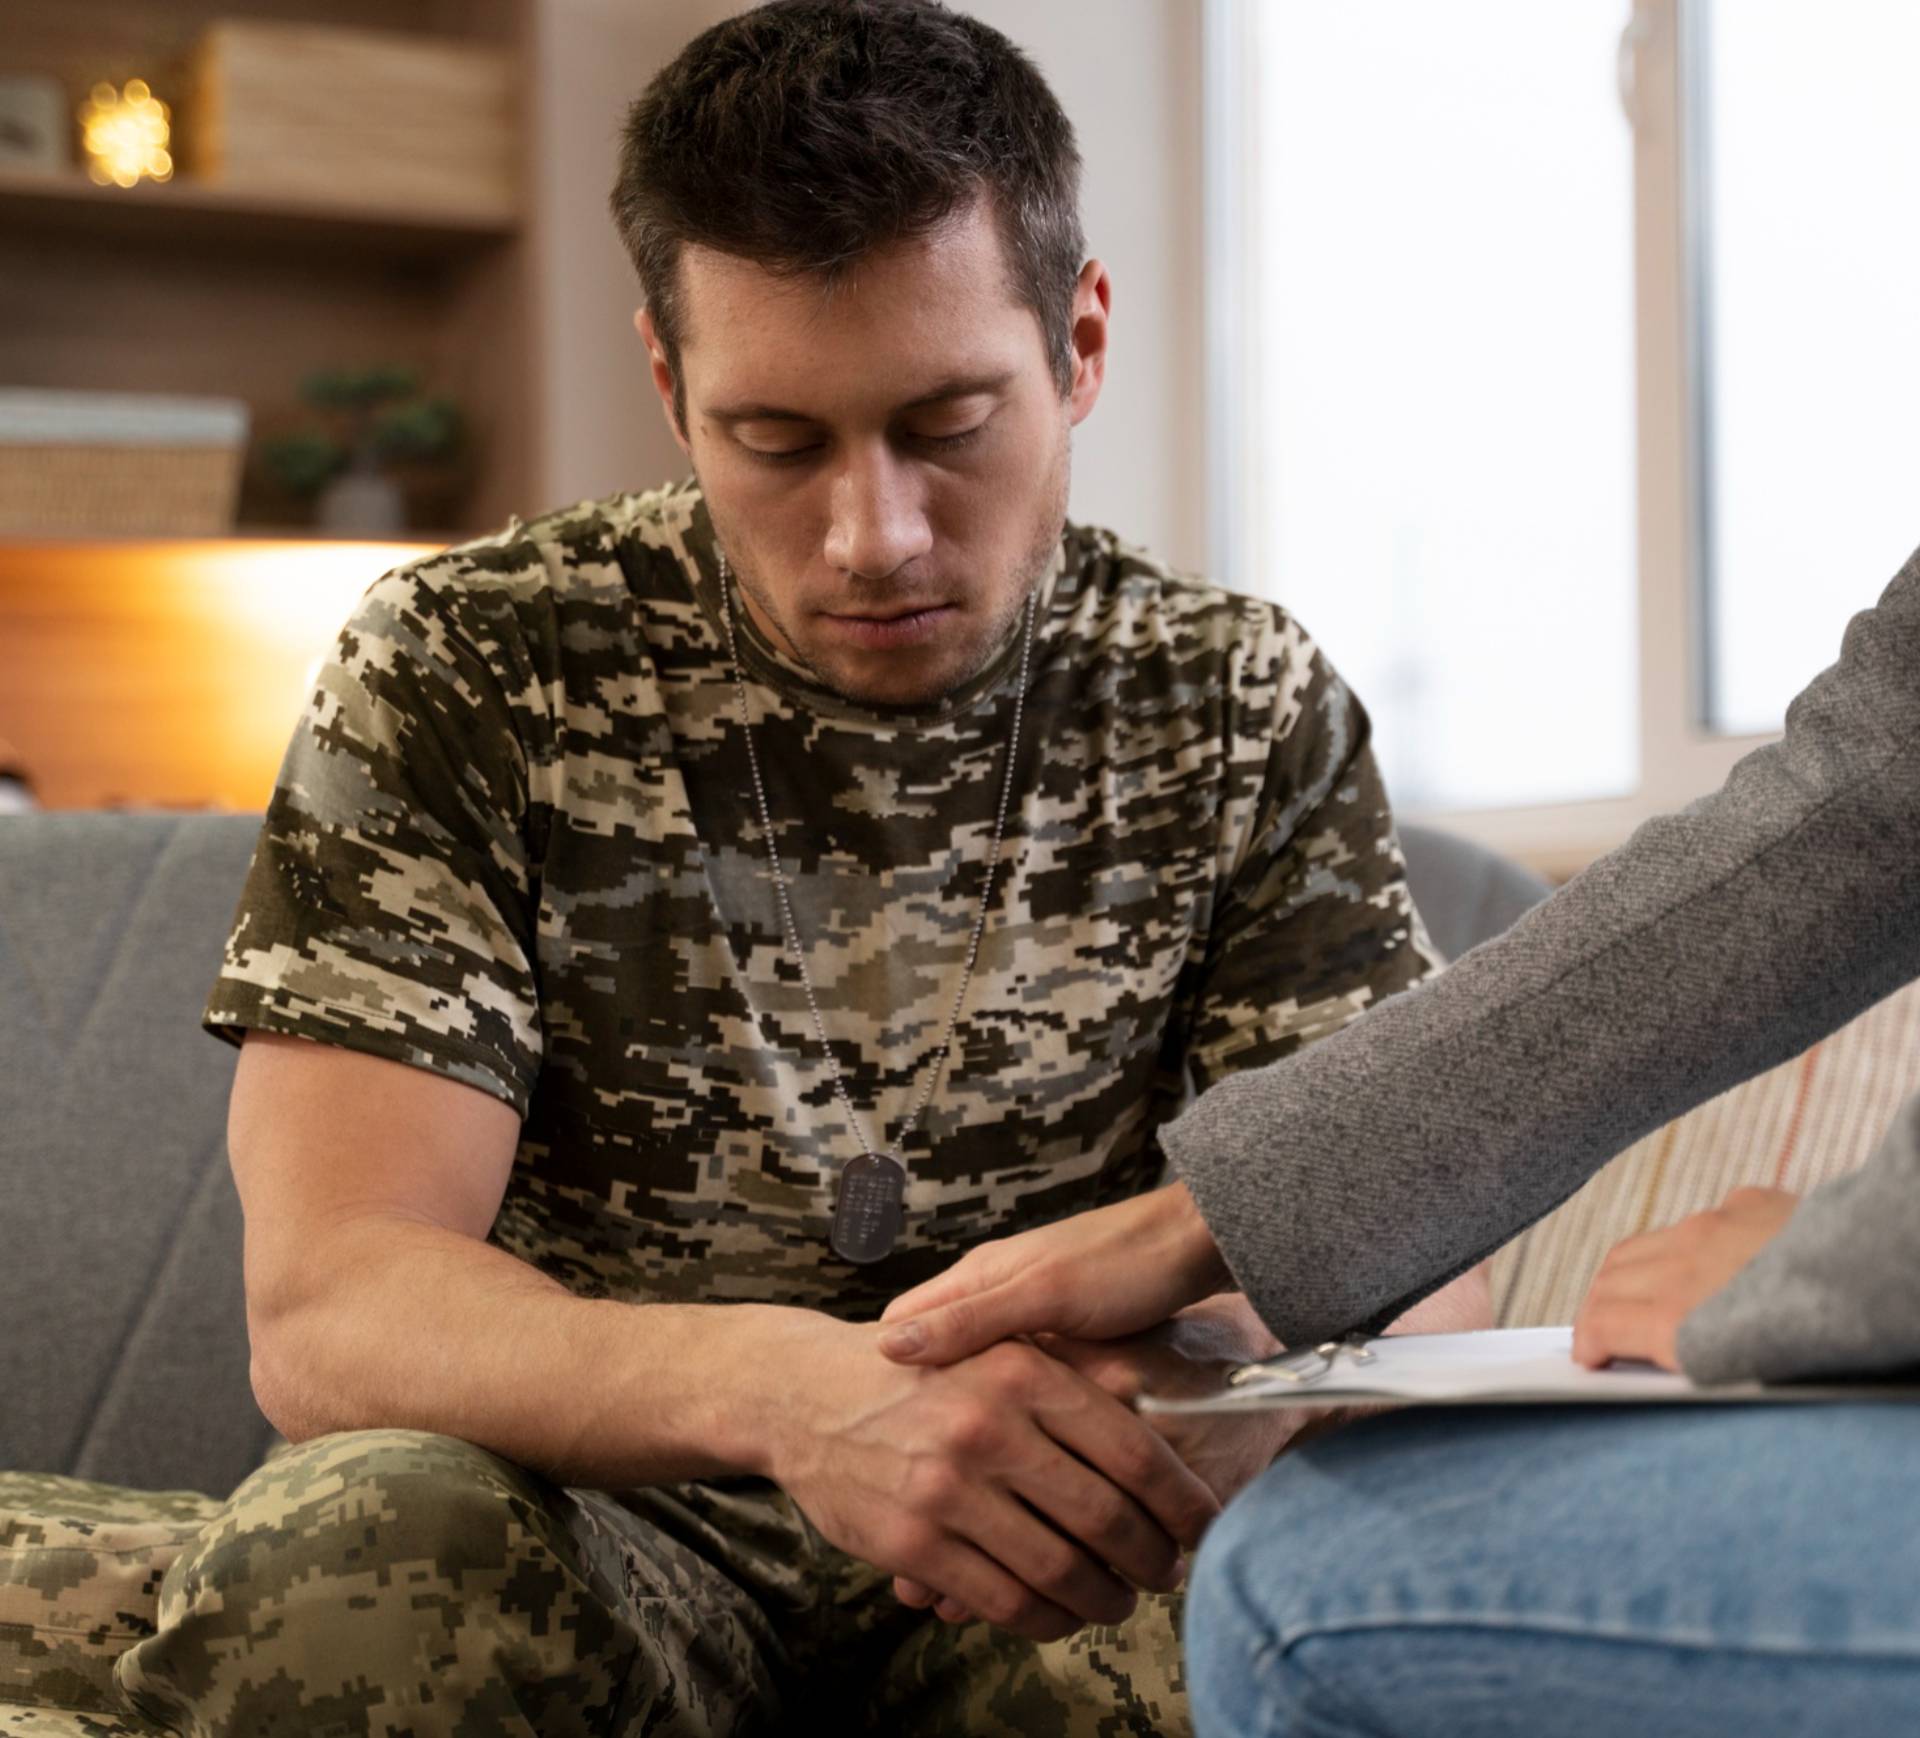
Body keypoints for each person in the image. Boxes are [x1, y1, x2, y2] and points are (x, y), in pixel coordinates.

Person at [102, 5, 1486, 1735]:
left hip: (1062, 1533)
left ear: (1081, 341)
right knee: (347, 1560)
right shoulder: (465, 661)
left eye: (949, 421)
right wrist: (790, 1390)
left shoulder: (1236, 701)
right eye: (779, 441)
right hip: (603, 1512)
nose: (874, 533)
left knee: (1380, 1586)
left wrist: (1152, 1404)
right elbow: (332, 1300)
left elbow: (1411, 1244)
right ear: (671, 386)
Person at [875, 546, 1920, 1732]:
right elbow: (1871, 793)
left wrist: (1836, 1269)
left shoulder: (1238, 694)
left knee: (1298, 1591)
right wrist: (1215, 1218)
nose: (874, 536)